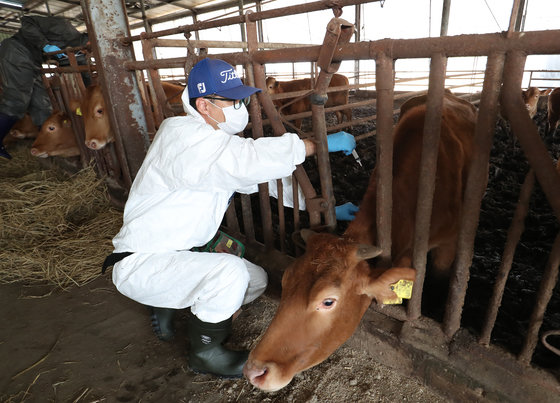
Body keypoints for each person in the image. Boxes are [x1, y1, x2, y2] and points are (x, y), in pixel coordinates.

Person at [103, 57, 357, 378]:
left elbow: (259, 178)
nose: (242, 106)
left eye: (242, 98)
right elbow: (249, 161)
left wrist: (321, 209)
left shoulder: (213, 145)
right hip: (142, 263)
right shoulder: (184, 138)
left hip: (179, 253)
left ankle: (171, 302)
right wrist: (317, 145)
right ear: (205, 106)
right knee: (229, 274)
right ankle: (207, 353)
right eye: (233, 100)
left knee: (256, 281)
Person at [0, 15, 89, 159]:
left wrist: (88, 94)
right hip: (17, 51)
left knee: (42, 103)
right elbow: (27, 21)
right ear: (90, 39)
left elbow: (81, 71)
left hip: (33, 61)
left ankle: (47, 143)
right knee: (17, 101)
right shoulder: (64, 27)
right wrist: (44, 45)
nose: (87, 53)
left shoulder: (77, 51)